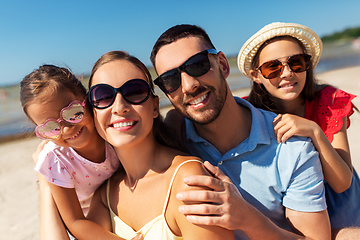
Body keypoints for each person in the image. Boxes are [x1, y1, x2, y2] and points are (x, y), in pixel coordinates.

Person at [150, 24, 331, 239]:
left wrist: (247, 219)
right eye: (170, 80)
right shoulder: (171, 138)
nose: (188, 86)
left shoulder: (292, 147)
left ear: (224, 65)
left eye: (197, 65)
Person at [85, 50, 234, 240]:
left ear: (155, 107)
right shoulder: (105, 195)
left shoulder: (188, 182)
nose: (119, 106)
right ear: (93, 113)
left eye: (134, 91)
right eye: (103, 96)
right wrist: (48, 183)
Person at [237, 22, 360, 239]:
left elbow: (342, 184)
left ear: (307, 65)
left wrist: (314, 131)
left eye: (296, 62)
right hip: (289, 202)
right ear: (256, 75)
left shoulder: (329, 101)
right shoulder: (248, 112)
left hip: (340, 203)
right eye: (272, 67)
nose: (286, 73)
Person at [20, 65, 141, 240]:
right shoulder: (56, 159)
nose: (67, 129)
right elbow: (75, 221)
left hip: (119, 201)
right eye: (51, 127)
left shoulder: (111, 132)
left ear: (87, 99)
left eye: (72, 113)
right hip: (86, 222)